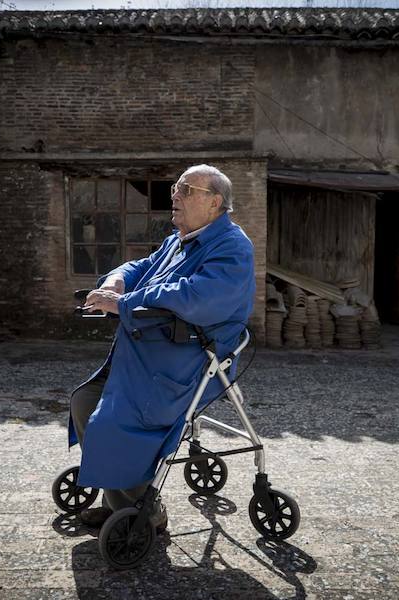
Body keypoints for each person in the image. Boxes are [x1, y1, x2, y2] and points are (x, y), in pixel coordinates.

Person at [68, 164, 256, 530]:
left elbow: (197, 296)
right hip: (148, 353)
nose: (175, 195)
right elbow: (143, 266)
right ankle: (121, 501)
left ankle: (144, 513)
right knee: (85, 401)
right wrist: (119, 281)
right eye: (176, 187)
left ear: (215, 202)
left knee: (112, 420)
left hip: (189, 362)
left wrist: (125, 303)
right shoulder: (178, 240)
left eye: (186, 190)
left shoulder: (233, 248)